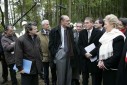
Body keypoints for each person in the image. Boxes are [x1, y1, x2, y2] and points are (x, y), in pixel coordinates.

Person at [49, 15, 77, 85]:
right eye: (67, 21)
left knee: (69, 74)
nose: (69, 22)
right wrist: (56, 53)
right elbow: (50, 45)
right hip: (60, 53)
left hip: (70, 54)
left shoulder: (70, 30)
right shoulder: (54, 30)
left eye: (69, 21)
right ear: (62, 21)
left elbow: (73, 43)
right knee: (61, 75)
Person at [97, 14, 125, 85]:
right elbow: (99, 49)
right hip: (105, 69)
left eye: (105, 24)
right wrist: (100, 60)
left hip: (114, 70)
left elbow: (117, 55)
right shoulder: (105, 35)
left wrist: (105, 64)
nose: (104, 26)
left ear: (112, 24)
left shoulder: (119, 36)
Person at [78, 17, 103, 85]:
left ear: (92, 23)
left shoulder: (99, 33)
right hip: (84, 58)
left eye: (87, 23)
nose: (85, 24)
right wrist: (85, 53)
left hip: (94, 59)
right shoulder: (82, 32)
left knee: (95, 79)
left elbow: (99, 45)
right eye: (84, 23)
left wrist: (91, 53)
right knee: (84, 78)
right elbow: (80, 45)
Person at [37, 20, 56, 85]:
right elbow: (37, 46)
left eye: (48, 24)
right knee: (46, 71)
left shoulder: (52, 32)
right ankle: (46, 82)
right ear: (43, 26)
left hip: (52, 55)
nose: (48, 25)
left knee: (53, 70)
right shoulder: (38, 34)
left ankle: (54, 82)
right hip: (44, 56)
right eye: (47, 24)